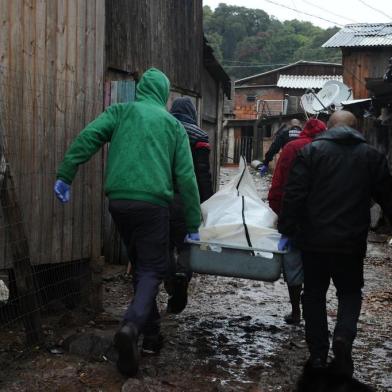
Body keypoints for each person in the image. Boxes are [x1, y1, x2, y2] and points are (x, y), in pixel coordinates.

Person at [54, 68, 201, 377]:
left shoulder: (120, 112)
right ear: (163, 93)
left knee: (142, 265)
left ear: (140, 90)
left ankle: (151, 336)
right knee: (152, 269)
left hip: (119, 203)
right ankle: (131, 327)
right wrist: (192, 223)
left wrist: (67, 173)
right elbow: (186, 178)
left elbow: (89, 136)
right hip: (153, 205)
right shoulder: (172, 126)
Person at [278, 110, 392, 376]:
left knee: (314, 294)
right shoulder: (372, 156)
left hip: (314, 241)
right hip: (351, 243)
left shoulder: (311, 153)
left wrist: (287, 229)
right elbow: (388, 197)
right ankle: (343, 337)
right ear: (357, 129)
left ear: (329, 127)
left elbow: (293, 195)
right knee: (350, 293)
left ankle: (318, 354)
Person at [268, 118, 327, 325]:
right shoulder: (328, 150)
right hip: (321, 219)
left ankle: (295, 311)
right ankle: (313, 312)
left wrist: (277, 208)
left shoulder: (292, 147)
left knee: (292, 264)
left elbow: (279, 180)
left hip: (292, 214)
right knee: (315, 266)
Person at [166, 97, 213, 315]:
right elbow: (203, 174)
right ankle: (182, 276)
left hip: (161, 197)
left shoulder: (163, 129)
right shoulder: (199, 136)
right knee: (186, 244)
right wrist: (206, 204)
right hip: (187, 199)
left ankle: (168, 280)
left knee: (164, 244)